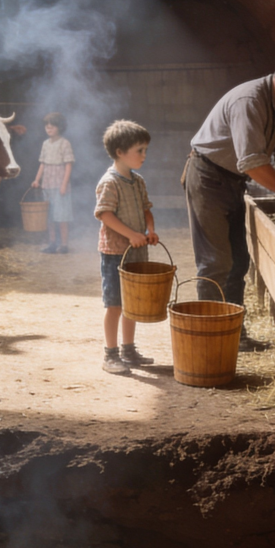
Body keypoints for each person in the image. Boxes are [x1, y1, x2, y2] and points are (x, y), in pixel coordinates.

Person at [184, 49, 275, 326]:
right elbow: (252, 163)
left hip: (233, 181)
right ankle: (208, 334)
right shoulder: (249, 101)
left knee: (239, 261)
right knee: (215, 263)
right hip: (207, 178)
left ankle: (233, 333)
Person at [95, 119, 160, 376]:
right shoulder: (110, 182)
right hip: (115, 254)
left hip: (137, 252)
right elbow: (104, 214)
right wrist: (132, 234)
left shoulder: (138, 181)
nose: (144, 155)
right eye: (140, 150)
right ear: (120, 152)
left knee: (131, 303)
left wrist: (150, 231)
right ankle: (110, 355)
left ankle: (128, 350)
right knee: (115, 305)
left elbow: (146, 209)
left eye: (145, 150)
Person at [31, 112, 75, 253]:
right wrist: (37, 180)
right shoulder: (45, 144)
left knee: (61, 216)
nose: (49, 128)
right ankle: (52, 243)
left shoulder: (64, 143)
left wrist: (63, 184)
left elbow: (68, 165)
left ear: (60, 127)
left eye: (52, 126)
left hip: (60, 182)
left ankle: (64, 245)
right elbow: (42, 164)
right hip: (47, 183)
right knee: (49, 216)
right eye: (47, 126)